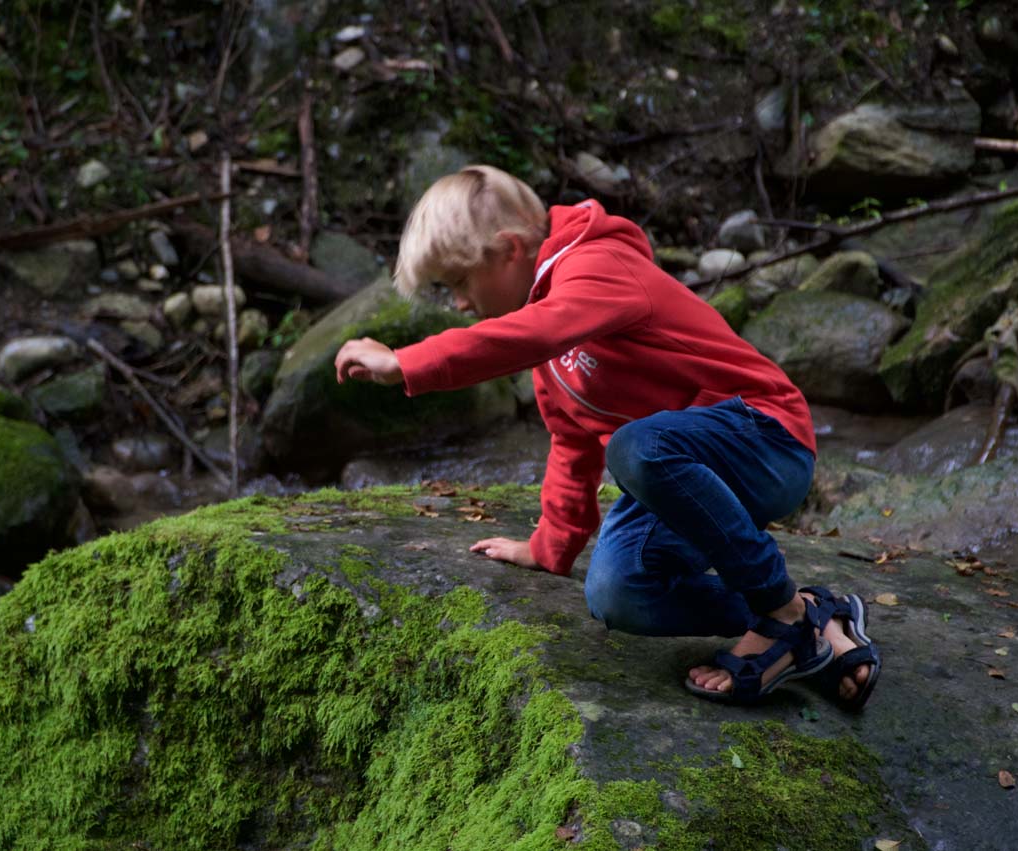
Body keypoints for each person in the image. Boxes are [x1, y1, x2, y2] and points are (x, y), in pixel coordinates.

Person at [333, 164, 880, 709]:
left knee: (635, 447)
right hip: (685, 487)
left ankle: (779, 611)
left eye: (459, 282)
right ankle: (806, 619)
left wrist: (407, 362)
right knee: (617, 593)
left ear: (509, 250)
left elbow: (536, 332)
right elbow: (571, 444)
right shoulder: (549, 352)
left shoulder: (598, 264)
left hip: (765, 441)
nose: (459, 303)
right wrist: (549, 548)